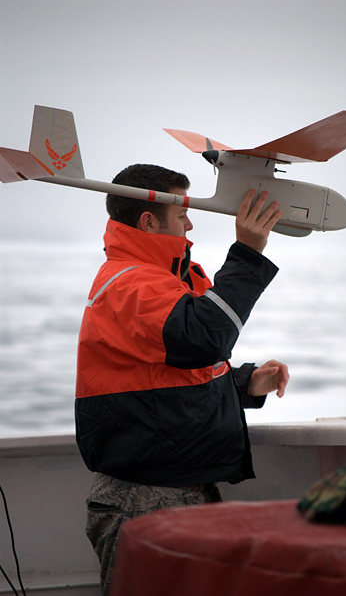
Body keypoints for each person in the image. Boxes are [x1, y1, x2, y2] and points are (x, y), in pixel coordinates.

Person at [75, 164, 289, 595]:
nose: (190, 224)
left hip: (176, 491)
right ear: (149, 220)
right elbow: (204, 337)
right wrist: (248, 252)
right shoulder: (129, 285)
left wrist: (246, 383)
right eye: (181, 214)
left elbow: (170, 377)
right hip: (143, 499)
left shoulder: (163, 281)